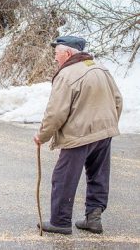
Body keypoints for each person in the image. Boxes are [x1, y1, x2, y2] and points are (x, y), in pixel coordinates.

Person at [34, 36, 123, 235]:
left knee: (63, 177)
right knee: (98, 175)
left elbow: (55, 112)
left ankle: (60, 222)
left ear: (67, 53)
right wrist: (108, 124)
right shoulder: (101, 68)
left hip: (79, 135)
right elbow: (118, 99)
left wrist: (42, 135)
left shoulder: (66, 74)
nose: (55, 58)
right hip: (104, 132)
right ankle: (94, 219)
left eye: (56, 54)